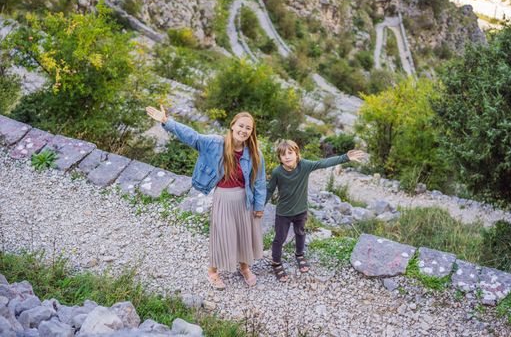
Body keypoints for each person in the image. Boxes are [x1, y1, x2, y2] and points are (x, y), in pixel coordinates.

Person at [146, 105, 266, 289]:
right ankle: (212, 271)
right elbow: (192, 136)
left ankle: (244, 267)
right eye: (241, 126)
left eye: (248, 128)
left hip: (245, 199)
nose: (243, 130)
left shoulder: (255, 154)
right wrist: (166, 121)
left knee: (244, 235)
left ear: (251, 132)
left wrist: (259, 206)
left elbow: (259, 181)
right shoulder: (215, 143)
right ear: (233, 125)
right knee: (222, 235)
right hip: (224, 198)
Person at [266, 140, 365, 282]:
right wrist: (260, 208)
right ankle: (276, 262)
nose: (287, 157)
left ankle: (299, 254)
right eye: (283, 155)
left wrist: (345, 157)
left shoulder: (304, 165)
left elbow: (322, 163)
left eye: (290, 153)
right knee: (279, 238)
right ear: (279, 158)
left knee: (300, 232)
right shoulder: (277, 172)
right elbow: (269, 189)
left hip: (301, 210)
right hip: (284, 213)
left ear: (297, 154)